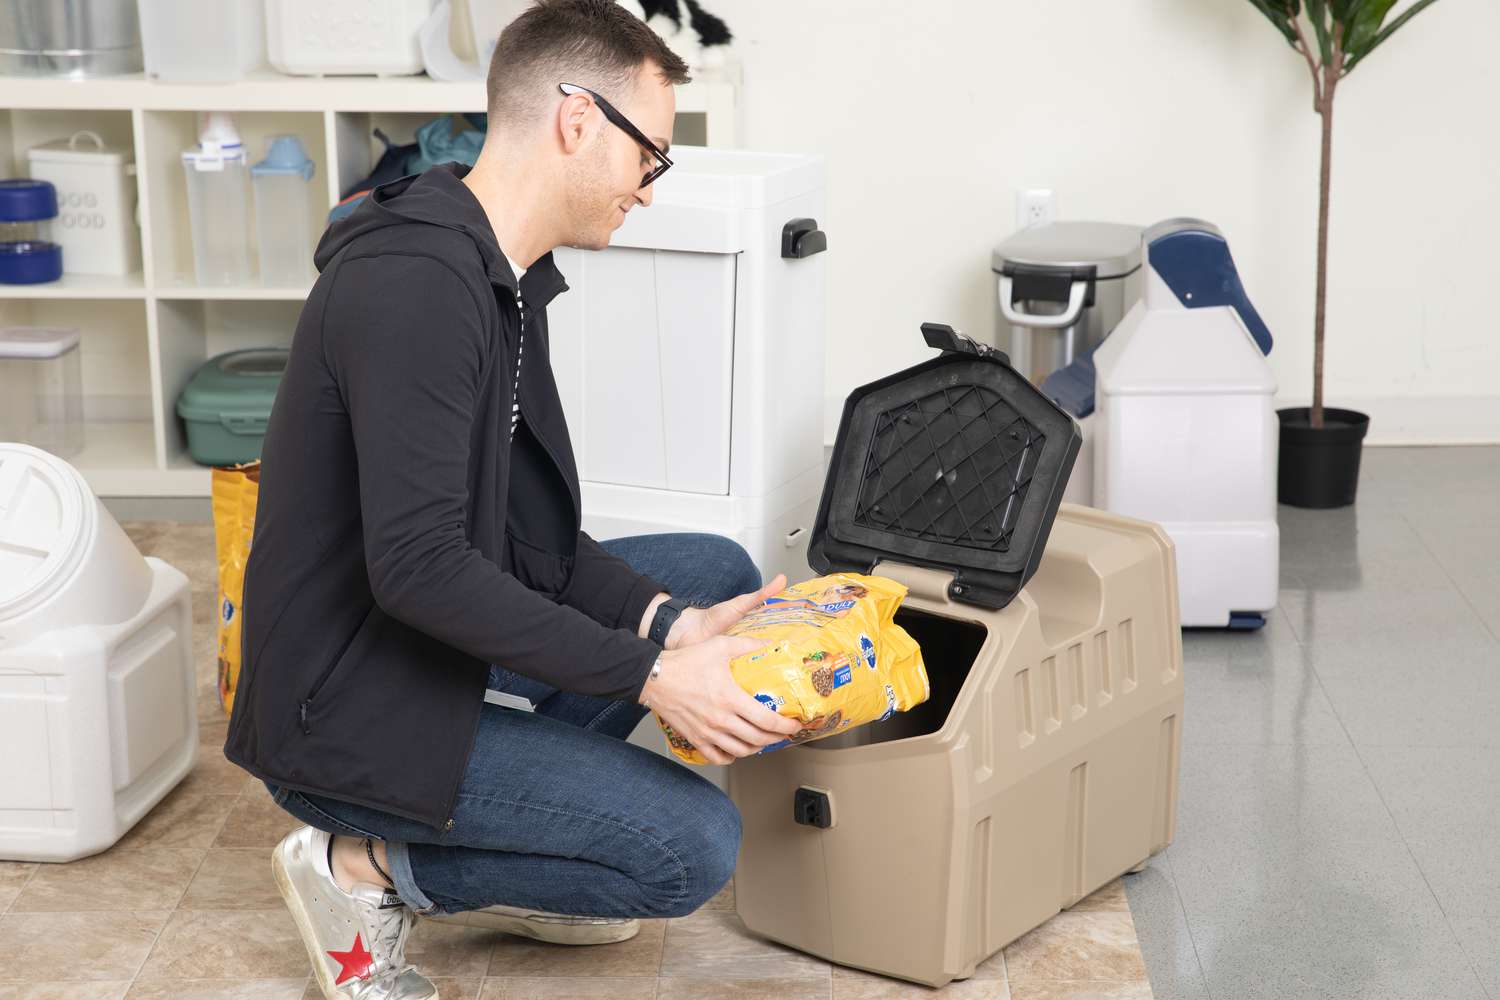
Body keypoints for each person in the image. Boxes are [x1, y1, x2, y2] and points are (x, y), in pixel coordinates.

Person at [223, 2, 802, 996]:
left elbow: (535, 536)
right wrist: (650, 674)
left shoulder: (504, 274)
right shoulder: (416, 286)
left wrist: (675, 624)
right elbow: (419, 569)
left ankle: (537, 828)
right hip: (347, 704)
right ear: (579, 121)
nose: (650, 190)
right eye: (651, 157)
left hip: (424, 647)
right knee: (689, 847)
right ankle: (358, 864)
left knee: (711, 574)